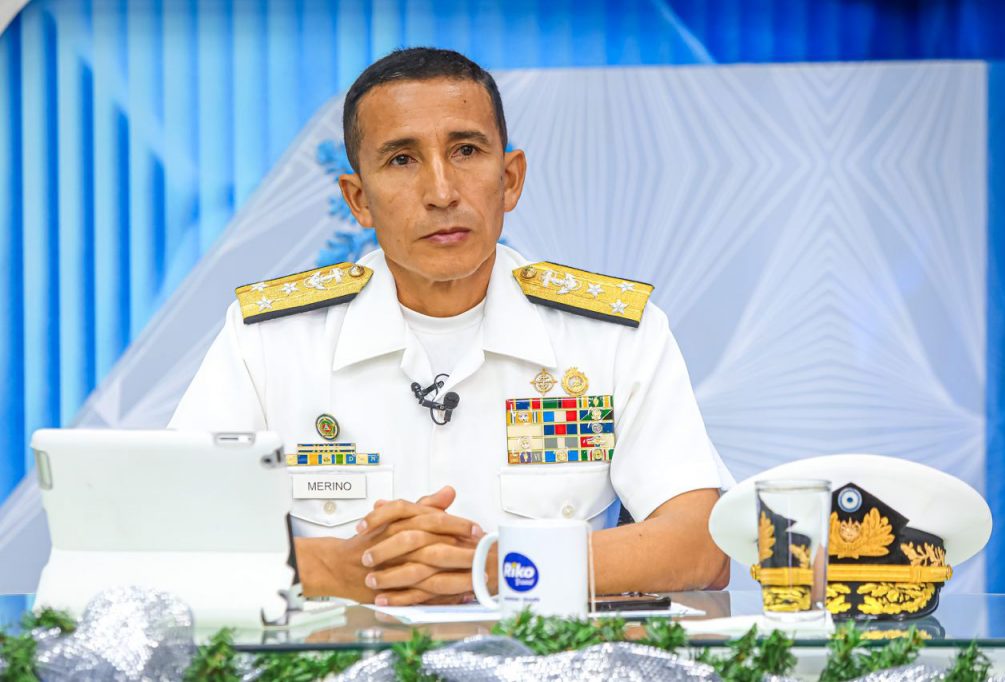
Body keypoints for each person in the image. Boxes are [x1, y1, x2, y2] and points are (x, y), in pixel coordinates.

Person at [170, 47, 733, 606]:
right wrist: (334, 569)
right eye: (402, 160)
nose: (441, 193)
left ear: (509, 179)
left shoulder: (611, 337)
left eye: (466, 151)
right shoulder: (270, 341)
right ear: (358, 200)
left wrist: (500, 565)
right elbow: (165, 536)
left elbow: (704, 545)